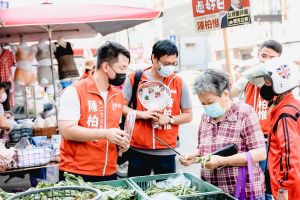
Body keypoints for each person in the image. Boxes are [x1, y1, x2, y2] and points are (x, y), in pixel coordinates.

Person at [180, 70, 266, 199]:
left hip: (243, 192)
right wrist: (194, 155)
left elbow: (260, 153)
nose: (206, 107)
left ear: (225, 94)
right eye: (202, 103)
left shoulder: (244, 113)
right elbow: (203, 148)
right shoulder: (205, 117)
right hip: (213, 190)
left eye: (209, 102)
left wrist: (221, 161)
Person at [58, 41, 130, 182]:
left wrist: (121, 142)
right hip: (77, 172)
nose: (124, 73)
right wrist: (105, 133)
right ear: (105, 66)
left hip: (109, 171)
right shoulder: (74, 91)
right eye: (122, 68)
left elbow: (114, 129)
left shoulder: (117, 95)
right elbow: (66, 130)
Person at [122, 40, 193, 177]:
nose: (170, 67)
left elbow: (188, 115)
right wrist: (142, 115)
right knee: (138, 190)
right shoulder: (135, 79)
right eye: (166, 64)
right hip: (138, 150)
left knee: (166, 191)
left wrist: (169, 119)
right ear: (154, 58)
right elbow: (120, 107)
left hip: (167, 151)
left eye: (174, 64)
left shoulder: (178, 82)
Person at [231, 40, 282, 200]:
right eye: (263, 56)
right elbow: (231, 94)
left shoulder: (280, 81)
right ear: (258, 55)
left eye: (271, 57)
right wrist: (245, 77)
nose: (266, 60)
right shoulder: (249, 78)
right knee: (250, 181)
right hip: (250, 139)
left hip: (271, 140)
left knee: (270, 181)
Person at [254, 58, 300, 200]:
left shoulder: (285, 114)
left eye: (268, 81)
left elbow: (290, 154)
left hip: (289, 191)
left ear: (280, 81)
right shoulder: (289, 105)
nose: (265, 85)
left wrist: (284, 189)